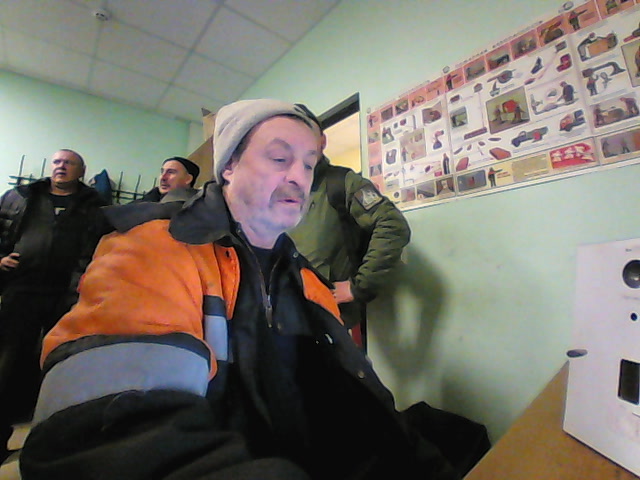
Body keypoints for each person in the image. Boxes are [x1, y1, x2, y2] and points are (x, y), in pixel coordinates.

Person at [19, 100, 462, 480]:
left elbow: (365, 409)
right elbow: (101, 436)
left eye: (309, 164)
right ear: (229, 166)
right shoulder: (154, 246)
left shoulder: (309, 282)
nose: (299, 176)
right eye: (279, 158)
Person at [0, 149, 106, 464]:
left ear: (81, 171)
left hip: (68, 296)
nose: (61, 167)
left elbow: (102, 248)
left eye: (68, 163)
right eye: (57, 162)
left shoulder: (97, 206)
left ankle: (50, 445)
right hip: (21, 290)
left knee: (59, 366)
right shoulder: (20, 197)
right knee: (8, 363)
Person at [289, 105, 411, 337]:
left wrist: (359, 286)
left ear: (322, 141)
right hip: (286, 313)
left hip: (327, 318)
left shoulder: (342, 183)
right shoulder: (282, 189)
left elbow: (392, 225)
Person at [134, 156, 200, 203]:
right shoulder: (138, 204)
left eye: (171, 172)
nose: (163, 178)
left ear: (188, 179)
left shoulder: (197, 208)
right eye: (162, 172)